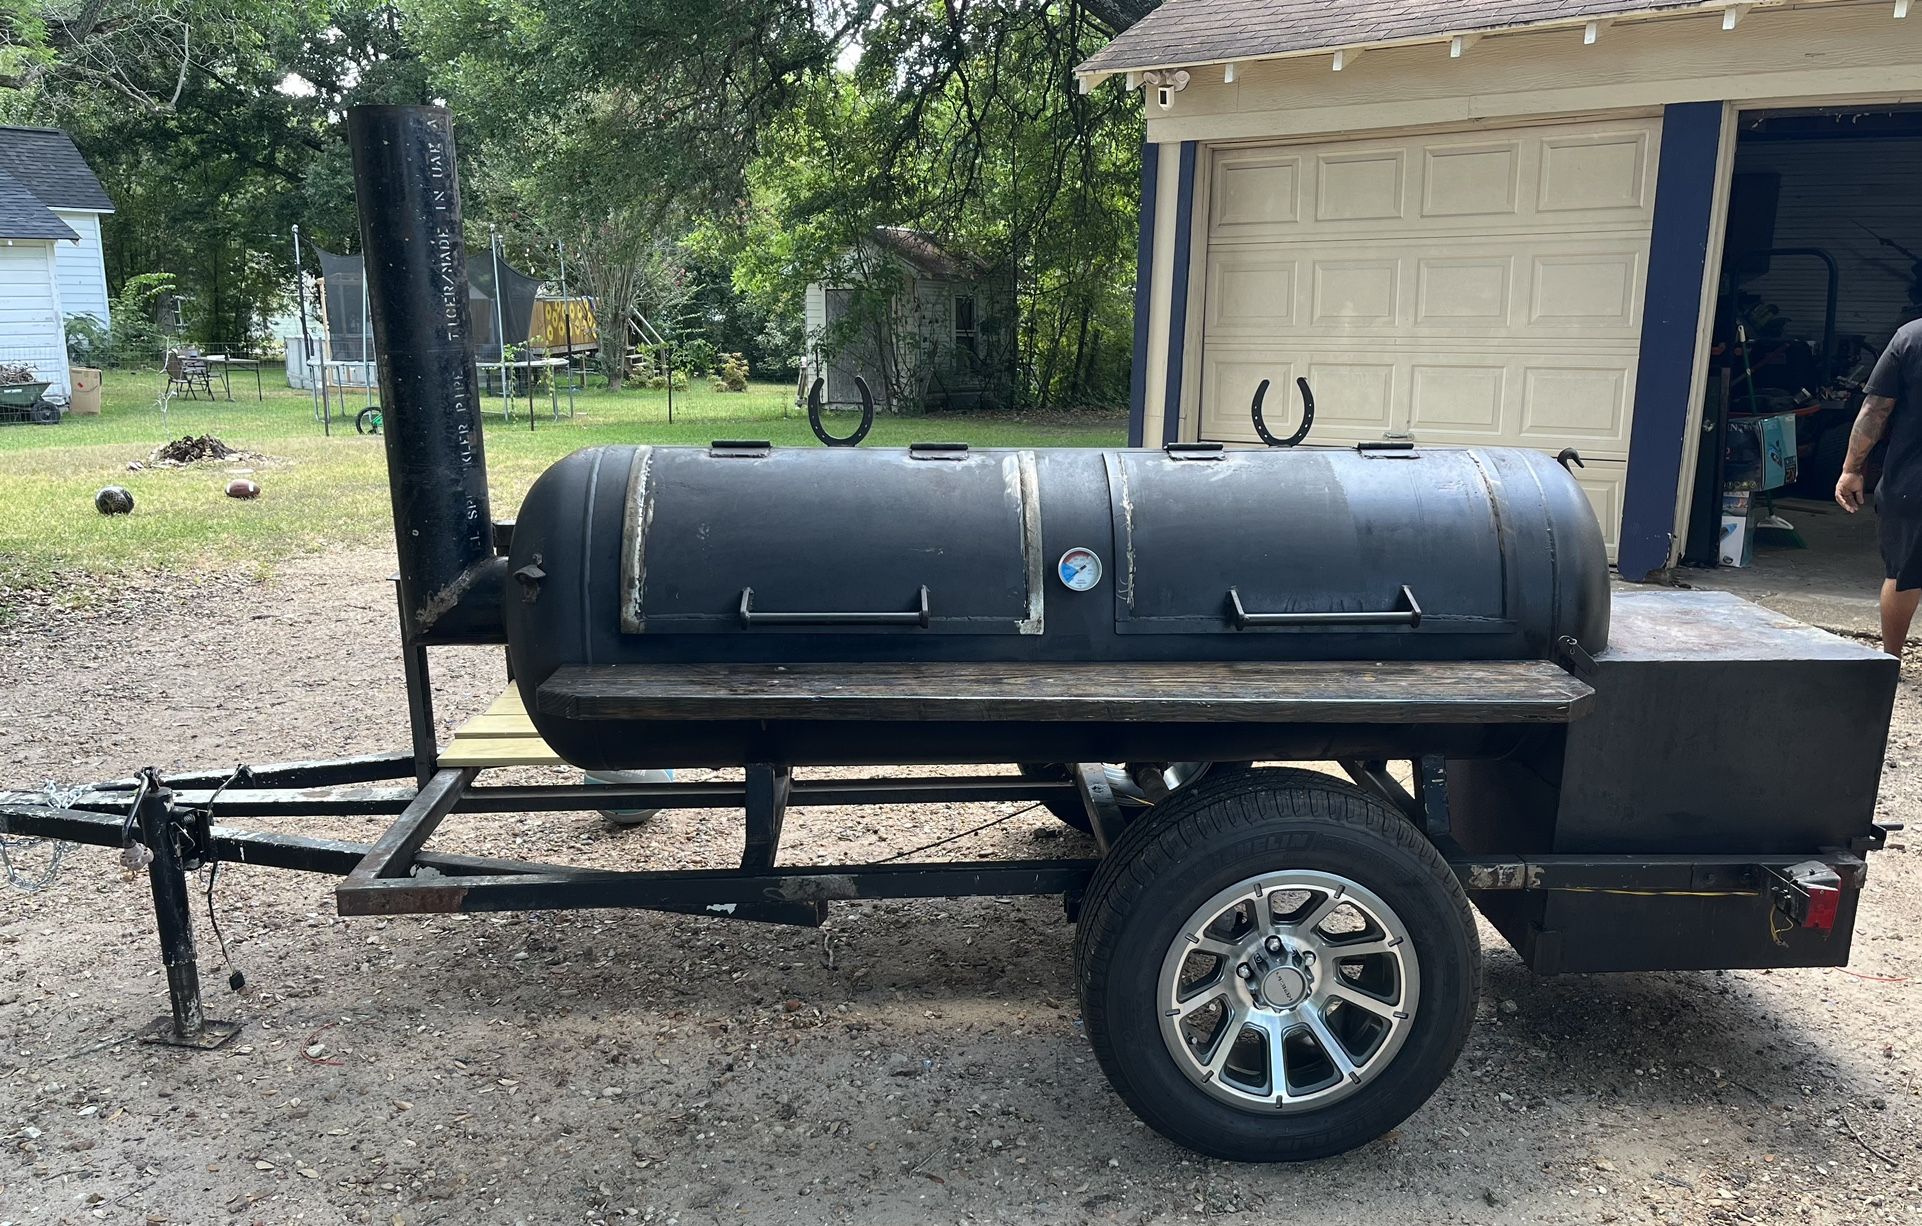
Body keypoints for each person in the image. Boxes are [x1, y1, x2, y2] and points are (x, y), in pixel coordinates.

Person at [1836, 319, 1922, 656]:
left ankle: (1892, 659)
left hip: (1911, 484)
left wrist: (1851, 469)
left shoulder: (1911, 337)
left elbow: (1875, 410)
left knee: (1902, 574)